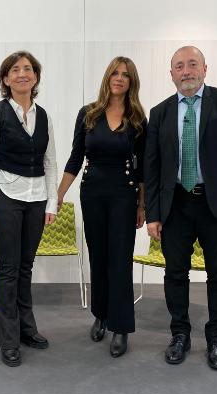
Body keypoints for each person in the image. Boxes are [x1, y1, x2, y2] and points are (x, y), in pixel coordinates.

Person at [144, 46, 217, 370]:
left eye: (192, 64)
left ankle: (216, 337)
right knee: (175, 273)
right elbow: (152, 168)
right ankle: (180, 334)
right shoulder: (160, 112)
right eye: (179, 66)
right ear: (171, 74)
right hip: (176, 205)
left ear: (205, 68)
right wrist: (153, 214)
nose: (186, 71)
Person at [57, 57, 146, 358]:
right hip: (92, 192)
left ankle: (121, 327)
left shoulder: (137, 118)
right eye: (115, 73)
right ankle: (101, 315)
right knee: (99, 257)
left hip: (124, 194)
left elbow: (143, 168)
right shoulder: (88, 114)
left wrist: (142, 205)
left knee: (119, 260)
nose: (119, 78)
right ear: (107, 77)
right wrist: (59, 194)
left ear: (131, 82)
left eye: (126, 75)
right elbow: (75, 157)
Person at [0, 51, 58, 367]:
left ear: (35, 76)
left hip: (37, 199)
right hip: (6, 197)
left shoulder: (44, 115)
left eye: (28, 69)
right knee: (9, 268)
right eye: (15, 69)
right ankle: (9, 339)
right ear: (6, 79)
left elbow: (50, 162)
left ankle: (27, 329)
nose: (22, 73)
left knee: (26, 267)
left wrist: (51, 202)